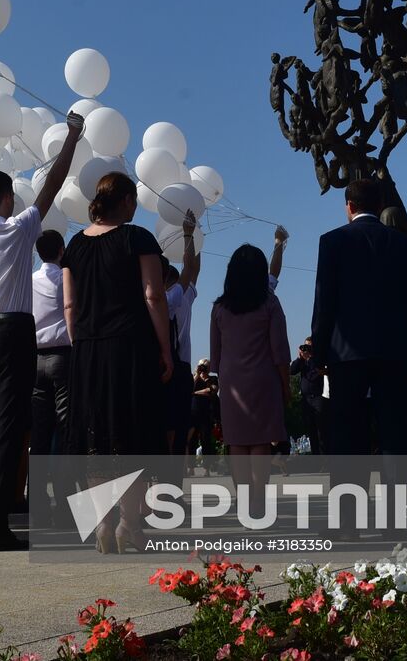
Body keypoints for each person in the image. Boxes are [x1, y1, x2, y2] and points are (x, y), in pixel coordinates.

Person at [0, 110, 84, 553]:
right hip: (13, 333)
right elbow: (53, 184)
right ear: (7, 197)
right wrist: (72, 136)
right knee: (10, 430)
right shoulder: (17, 231)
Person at [61, 171, 173, 552]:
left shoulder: (73, 245)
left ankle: (103, 526)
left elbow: (69, 305)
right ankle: (129, 524)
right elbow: (153, 296)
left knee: (97, 438)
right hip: (130, 346)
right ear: (125, 200)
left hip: (88, 349)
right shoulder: (137, 237)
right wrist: (165, 349)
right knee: (132, 435)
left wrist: (82, 345)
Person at [310, 179, 407, 458]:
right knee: (396, 434)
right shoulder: (404, 243)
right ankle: (396, 501)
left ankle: (350, 500)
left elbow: (325, 302)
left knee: (347, 434)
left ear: (349, 206)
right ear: (381, 205)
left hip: (346, 354)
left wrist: (319, 355)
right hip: (395, 353)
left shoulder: (332, 241)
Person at [209, 243, 290, 518]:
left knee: (237, 443)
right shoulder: (269, 303)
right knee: (260, 442)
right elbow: (280, 350)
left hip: (231, 382)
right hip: (263, 378)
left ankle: (244, 501)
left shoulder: (219, 308)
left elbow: (215, 354)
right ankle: (259, 501)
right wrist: (284, 386)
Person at [30, 227, 70, 523]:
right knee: (66, 430)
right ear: (61, 250)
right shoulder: (66, 278)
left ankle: (39, 501)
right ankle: (66, 501)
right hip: (63, 355)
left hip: (36, 358)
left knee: (39, 435)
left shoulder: (29, 280)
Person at [163, 212, 203, 455]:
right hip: (181, 369)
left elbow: (190, 270)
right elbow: (193, 269)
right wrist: (193, 237)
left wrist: (192, 235)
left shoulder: (166, 300)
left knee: (167, 426)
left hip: (166, 368)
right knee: (178, 427)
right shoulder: (182, 298)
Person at [288, 340, 325, 454]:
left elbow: (316, 372)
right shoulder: (302, 362)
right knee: (310, 430)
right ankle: (316, 458)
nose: (306, 349)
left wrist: (310, 358)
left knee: (321, 430)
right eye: (305, 346)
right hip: (306, 399)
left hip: (318, 397)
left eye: (309, 346)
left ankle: (325, 457)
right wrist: (300, 358)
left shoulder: (318, 359)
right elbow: (291, 370)